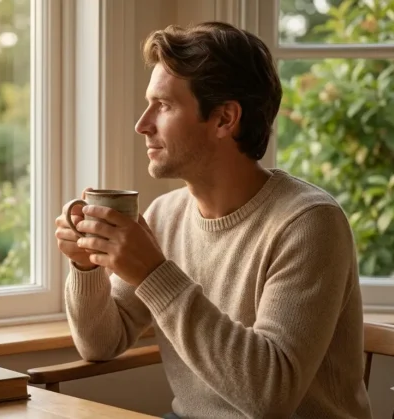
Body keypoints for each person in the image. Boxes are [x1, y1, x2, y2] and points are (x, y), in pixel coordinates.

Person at [55, 22, 373, 419]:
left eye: (164, 105)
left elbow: (270, 396)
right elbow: (101, 344)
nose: (143, 123)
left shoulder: (309, 224)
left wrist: (154, 274)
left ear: (225, 119)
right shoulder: (165, 215)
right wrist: (86, 267)